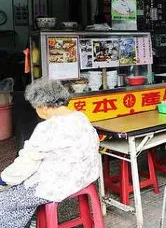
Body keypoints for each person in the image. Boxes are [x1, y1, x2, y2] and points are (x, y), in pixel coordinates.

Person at [0, 79, 100, 228]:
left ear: (43, 107)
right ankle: (32, 220)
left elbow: (25, 164)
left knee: (5, 201)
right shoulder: (81, 117)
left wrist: (3, 180)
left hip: (56, 185)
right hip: (84, 176)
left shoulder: (46, 128)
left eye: (36, 108)